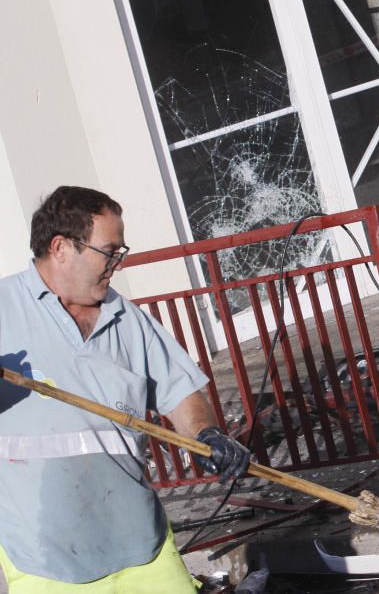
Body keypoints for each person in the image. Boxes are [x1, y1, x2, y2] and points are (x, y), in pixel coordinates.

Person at [0, 186, 250, 591]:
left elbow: (180, 391)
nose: (117, 263)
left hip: (140, 547)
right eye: (109, 251)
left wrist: (207, 434)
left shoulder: (127, 319)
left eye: (120, 251)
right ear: (61, 247)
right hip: (47, 562)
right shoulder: (3, 308)